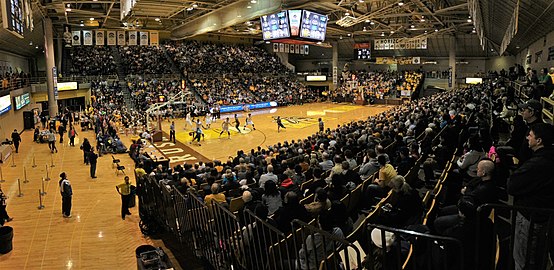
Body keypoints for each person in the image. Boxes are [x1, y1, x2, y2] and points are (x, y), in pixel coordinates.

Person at [507, 123, 554, 270]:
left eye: (530, 135)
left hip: (530, 217)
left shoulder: (538, 164)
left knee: (523, 259)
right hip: (540, 216)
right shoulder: (546, 158)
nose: (527, 137)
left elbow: (512, 185)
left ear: (539, 141)